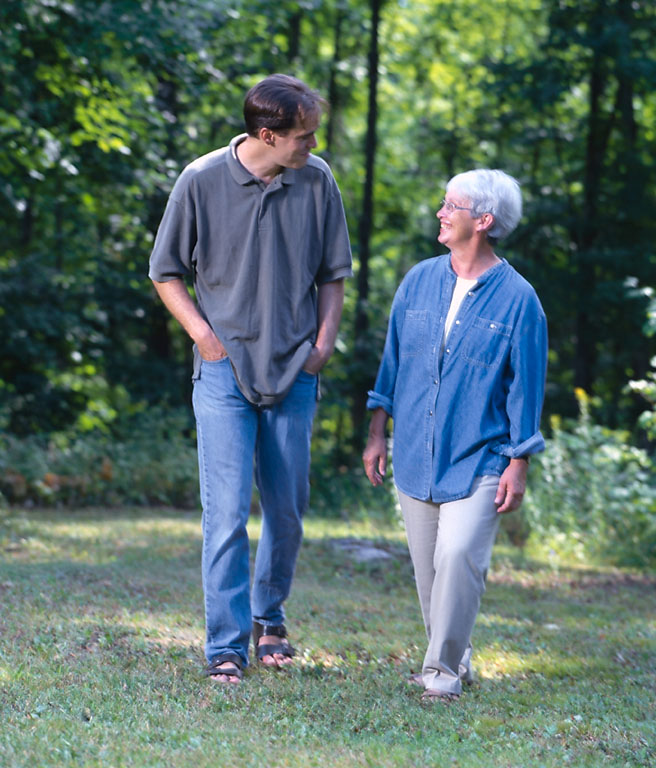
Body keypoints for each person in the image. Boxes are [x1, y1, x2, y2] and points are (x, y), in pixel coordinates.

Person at [149, 74, 352, 683]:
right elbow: (165, 273)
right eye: (303, 136)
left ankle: (272, 620)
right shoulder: (201, 179)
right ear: (268, 134)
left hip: (294, 372)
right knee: (228, 514)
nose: (312, 145)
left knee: (287, 510)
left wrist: (323, 344)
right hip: (223, 374)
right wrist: (205, 339)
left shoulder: (317, 182)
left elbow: (333, 275)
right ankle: (225, 647)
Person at [362, 169, 546, 703]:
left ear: (482, 221)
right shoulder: (418, 280)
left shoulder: (519, 300)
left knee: (460, 554)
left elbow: (526, 389)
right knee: (430, 572)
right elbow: (392, 364)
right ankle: (457, 658)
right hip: (415, 453)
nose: (441, 213)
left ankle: (439, 675)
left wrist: (519, 460)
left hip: (483, 454)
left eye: (451, 205)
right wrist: (378, 434)